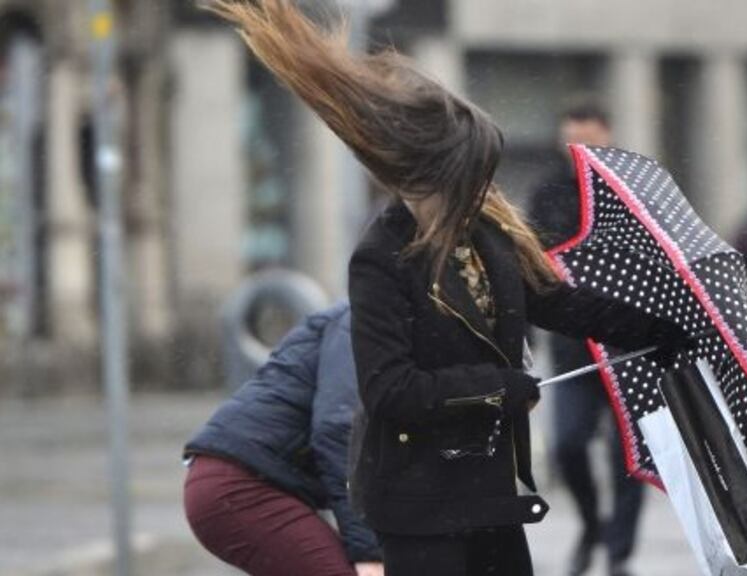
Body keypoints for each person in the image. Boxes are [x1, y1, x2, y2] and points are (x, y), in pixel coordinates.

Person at [204, 3, 691, 576]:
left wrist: (661, 324)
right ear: (430, 173)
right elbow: (389, 390)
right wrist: (499, 388)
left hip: (490, 493)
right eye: (470, 173)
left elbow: (558, 302)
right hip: (418, 506)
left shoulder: (485, 236)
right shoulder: (381, 258)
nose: (482, 187)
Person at [528, 102, 645, 576]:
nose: (578, 147)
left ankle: (619, 550)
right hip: (570, 341)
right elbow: (532, 258)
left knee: (629, 455)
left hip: (626, 342)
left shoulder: (628, 186)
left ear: (607, 134)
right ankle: (592, 525)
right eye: (570, 137)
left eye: (588, 136)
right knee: (568, 445)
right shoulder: (548, 191)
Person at [183, 303, 384, 576]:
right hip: (240, 486)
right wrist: (368, 553)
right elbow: (340, 428)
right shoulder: (365, 319)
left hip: (244, 480)